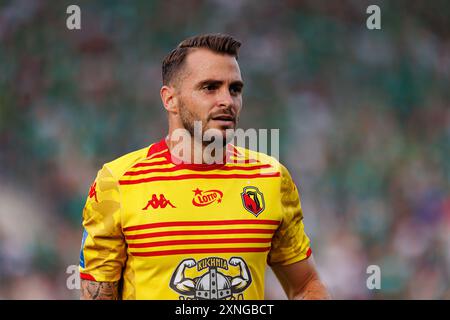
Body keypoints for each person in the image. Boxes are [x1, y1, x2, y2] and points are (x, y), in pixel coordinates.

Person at [79, 33, 331, 300]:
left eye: (235, 89)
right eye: (210, 87)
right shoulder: (118, 182)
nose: (227, 101)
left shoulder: (271, 178)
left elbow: (305, 284)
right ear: (170, 99)